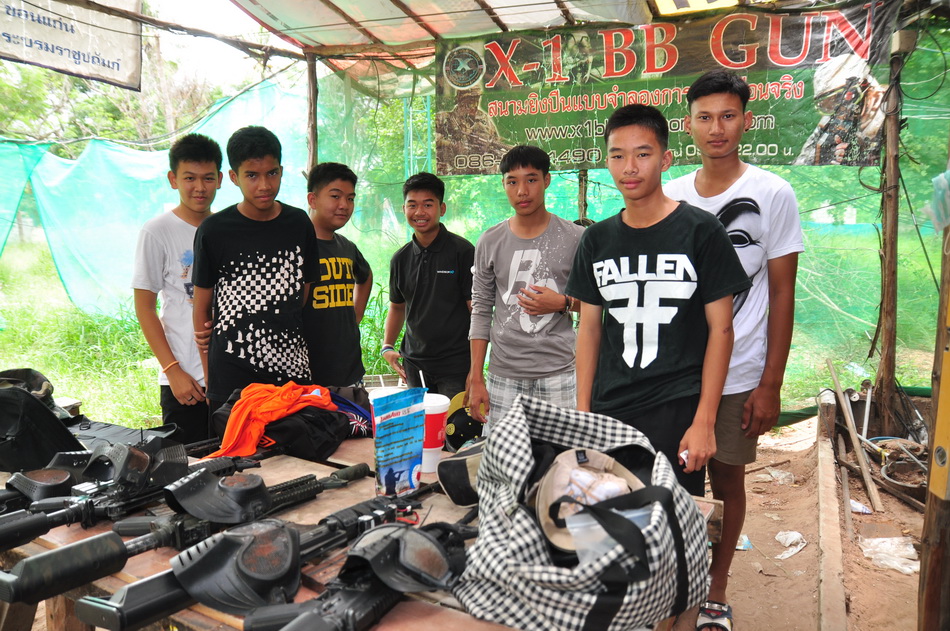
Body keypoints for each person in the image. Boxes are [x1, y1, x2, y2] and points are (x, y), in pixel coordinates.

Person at [665, 70, 803, 631]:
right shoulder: (671, 193)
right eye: (705, 117)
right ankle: (671, 583)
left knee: (726, 481)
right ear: (689, 125)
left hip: (740, 372)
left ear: (746, 121)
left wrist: (770, 384)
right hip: (674, 369)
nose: (716, 128)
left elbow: (783, 292)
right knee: (671, 482)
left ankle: (715, 589)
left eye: (727, 116)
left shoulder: (773, 193)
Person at [568, 103, 750, 499]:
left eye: (643, 154)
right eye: (618, 156)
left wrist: (704, 421)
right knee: (609, 512)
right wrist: (583, 413)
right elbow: (590, 330)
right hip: (609, 406)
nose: (629, 167)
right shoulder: (596, 240)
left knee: (672, 516)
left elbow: (721, 329)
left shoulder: (701, 230)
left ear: (665, 160)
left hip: (676, 405)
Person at [192, 126, 319, 418]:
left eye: (272, 173)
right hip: (232, 375)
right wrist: (210, 376)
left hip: (291, 371)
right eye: (252, 175)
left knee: (294, 443)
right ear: (233, 177)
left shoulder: (299, 223)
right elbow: (201, 309)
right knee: (235, 446)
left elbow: (302, 295)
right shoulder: (213, 230)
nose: (264, 185)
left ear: (281, 171)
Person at [466, 145, 584, 430]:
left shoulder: (576, 237)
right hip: (504, 373)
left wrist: (563, 303)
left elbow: (597, 302)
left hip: (559, 371)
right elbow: (481, 308)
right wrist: (476, 375)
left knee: (561, 455)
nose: (522, 191)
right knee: (504, 455)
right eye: (512, 182)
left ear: (547, 180)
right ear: (503, 185)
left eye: (531, 179)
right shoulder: (489, 241)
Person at [132, 134, 222, 443]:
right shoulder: (157, 231)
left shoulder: (228, 229)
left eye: (208, 178)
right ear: (173, 180)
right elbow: (144, 307)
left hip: (228, 380)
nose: (200, 187)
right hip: (185, 383)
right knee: (188, 467)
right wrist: (172, 371)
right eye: (189, 178)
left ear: (220, 179)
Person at [382, 172, 474, 400]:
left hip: (456, 365)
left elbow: (476, 310)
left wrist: (477, 366)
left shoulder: (463, 252)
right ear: (404, 209)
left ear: (442, 209)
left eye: (428, 204)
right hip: (414, 364)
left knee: (455, 421)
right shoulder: (400, 259)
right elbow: (397, 306)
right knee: (422, 421)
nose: (419, 212)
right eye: (412, 205)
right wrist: (387, 346)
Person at [302, 162, 373, 388]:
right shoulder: (297, 247)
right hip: (308, 374)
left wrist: (356, 316)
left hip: (349, 370)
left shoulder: (346, 246)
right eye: (335, 196)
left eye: (350, 198)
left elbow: (366, 276)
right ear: (312, 200)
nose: (344, 205)